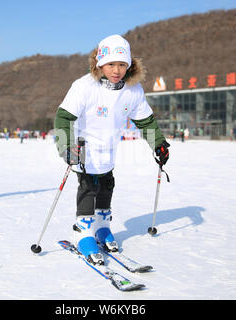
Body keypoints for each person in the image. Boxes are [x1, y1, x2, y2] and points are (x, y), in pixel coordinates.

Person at [54, 34, 169, 265]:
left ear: (129, 65)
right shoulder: (84, 86)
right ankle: (82, 232)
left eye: (122, 64)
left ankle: (102, 227)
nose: (116, 70)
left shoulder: (133, 90)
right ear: (100, 64)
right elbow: (63, 118)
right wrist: (66, 146)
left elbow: (145, 121)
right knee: (88, 187)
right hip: (83, 149)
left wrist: (159, 143)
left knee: (106, 185)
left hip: (109, 151)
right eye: (111, 64)